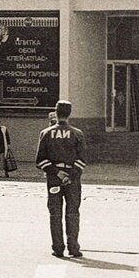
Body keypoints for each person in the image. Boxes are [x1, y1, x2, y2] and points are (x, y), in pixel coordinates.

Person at [36, 100, 86, 258]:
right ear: (70, 113)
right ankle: (73, 247)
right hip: (72, 178)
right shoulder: (77, 133)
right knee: (72, 212)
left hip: (53, 178)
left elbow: (40, 160)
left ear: (56, 113)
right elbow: (82, 159)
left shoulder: (46, 133)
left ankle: (58, 247)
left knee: (55, 213)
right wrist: (69, 175)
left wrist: (57, 173)